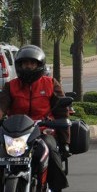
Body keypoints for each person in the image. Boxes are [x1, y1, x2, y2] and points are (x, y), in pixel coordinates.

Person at [0, 45, 69, 191]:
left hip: (42, 130)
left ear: (39, 65)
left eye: (32, 63)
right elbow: (2, 107)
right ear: (19, 65)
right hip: (15, 134)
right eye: (25, 63)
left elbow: (62, 112)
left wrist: (64, 141)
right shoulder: (10, 86)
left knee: (50, 149)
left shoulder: (50, 83)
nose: (28, 67)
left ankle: (55, 188)